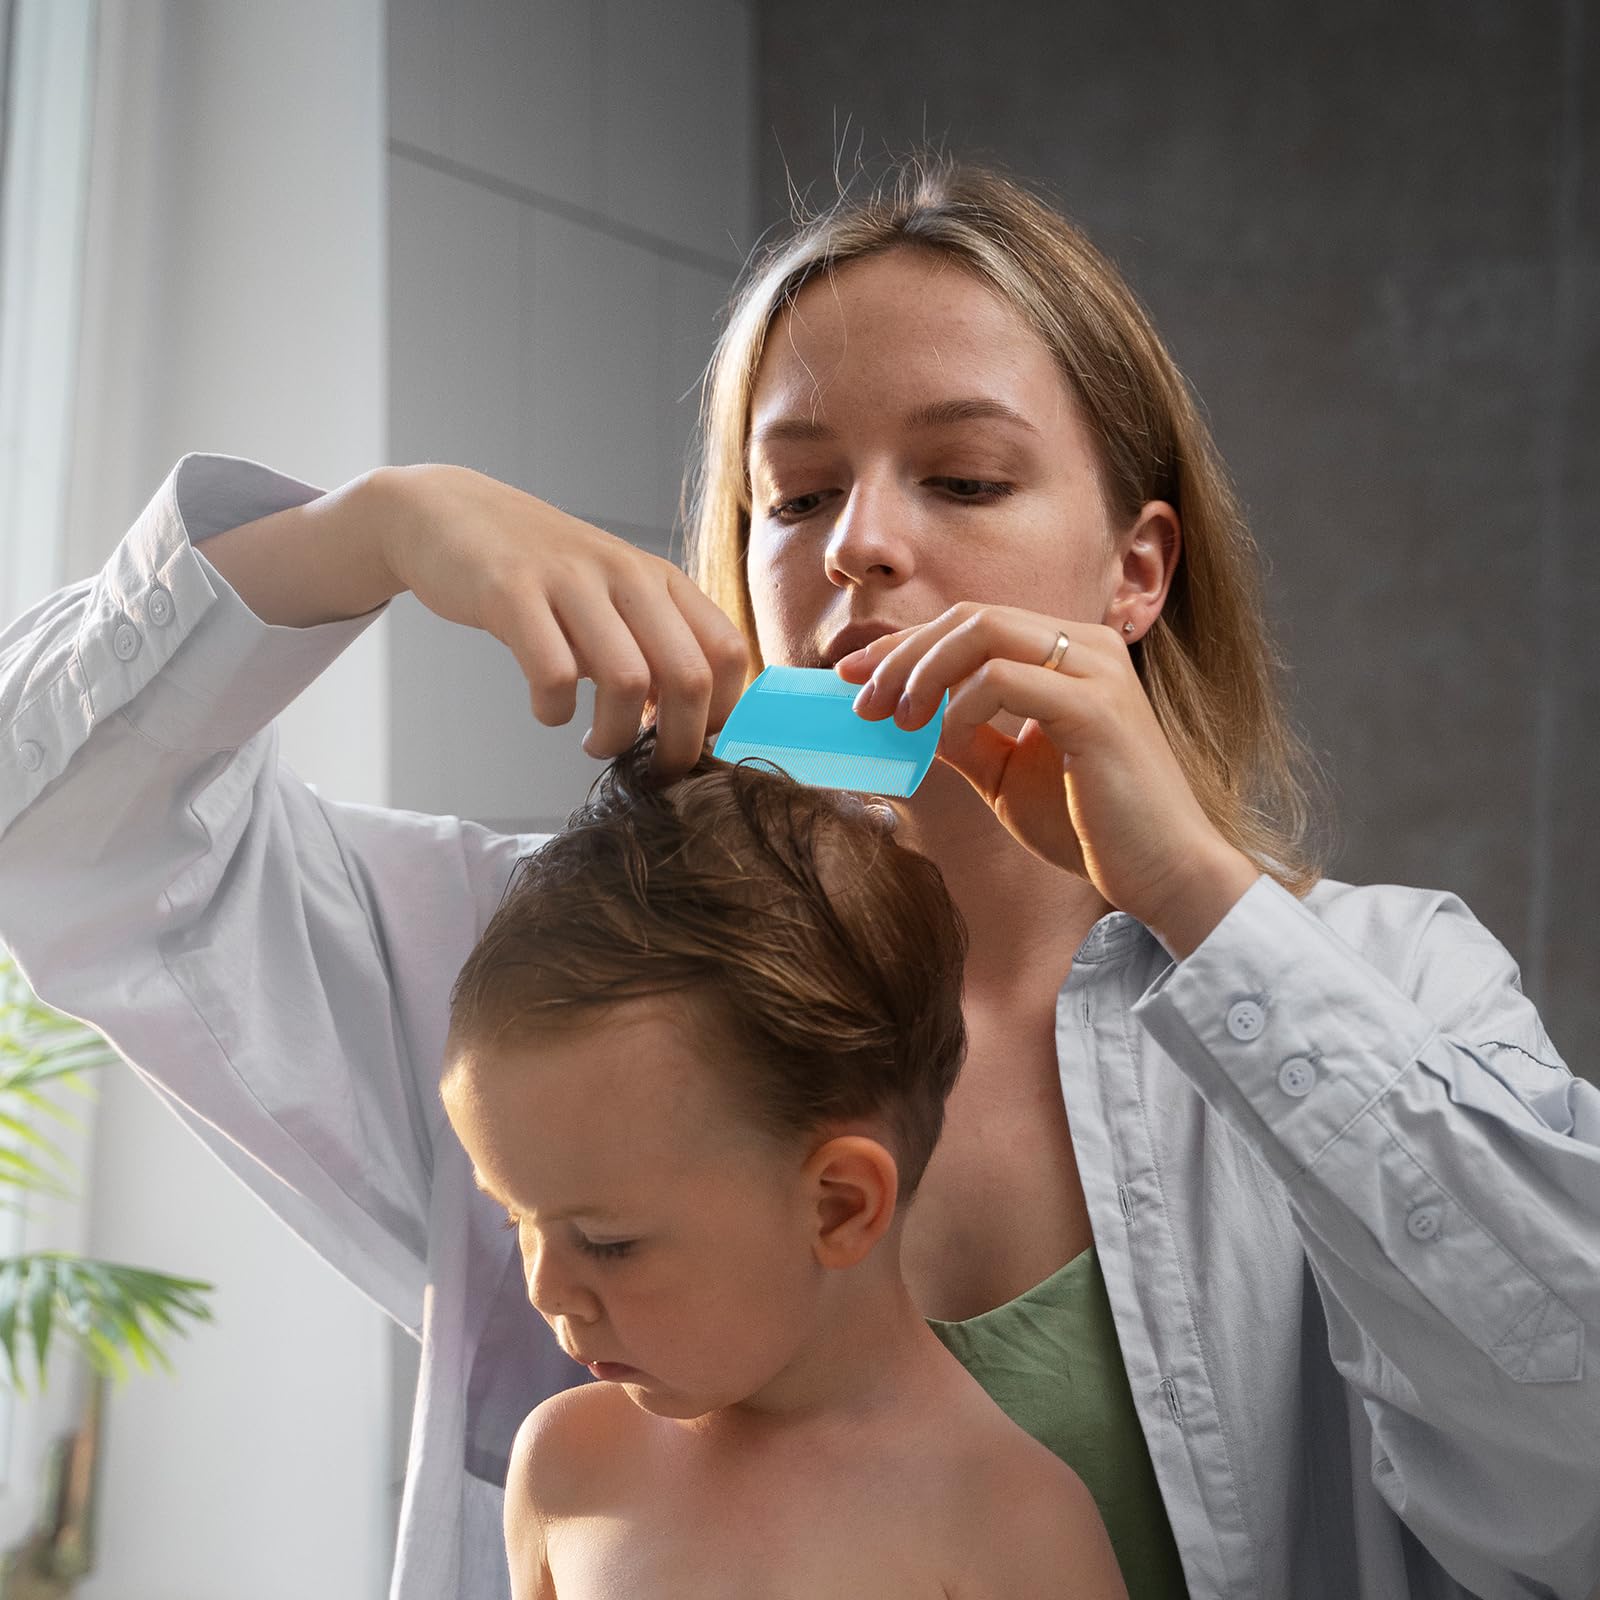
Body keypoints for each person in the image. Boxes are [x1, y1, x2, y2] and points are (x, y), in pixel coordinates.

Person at [0, 150, 1595, 1599]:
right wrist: (371, 532)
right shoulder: (536, 976)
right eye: (798, 494)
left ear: (1138, 572)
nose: (856, 549)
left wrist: (1195, 893)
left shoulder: (1387, 989)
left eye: (963, 480)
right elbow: (52, 828)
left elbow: (1575, 1476)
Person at [439, 730, 1127, 1597]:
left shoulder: (1008, 1522)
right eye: (515, 1218)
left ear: (838, 1207)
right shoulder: (567, 1469)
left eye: (607, 1242)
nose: (544, 1289)